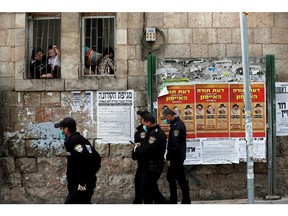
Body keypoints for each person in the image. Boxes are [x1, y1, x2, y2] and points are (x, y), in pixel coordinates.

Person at [54, 117, 100, 204]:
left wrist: (82, 182)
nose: (61, 131)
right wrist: (91, 175)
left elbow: (85, 160)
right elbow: (96, 158)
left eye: (61, 129)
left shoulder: (74, 142)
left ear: (66, 129)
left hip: (79, 185)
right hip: (82, 184)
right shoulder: (81, 140)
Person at [133, 114, 167, 204]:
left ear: (148, 123)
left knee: (148, 189)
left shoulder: (154, 134)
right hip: (149, 166)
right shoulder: (152, 132)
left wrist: (137, 148)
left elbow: (147, 150)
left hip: (152, 166)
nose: (143, 124)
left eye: (144, 122)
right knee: (150, 189)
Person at [162, 108, 191, 204]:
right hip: (178, 156)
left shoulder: (177, 126)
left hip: (176, 156)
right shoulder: (176, 124)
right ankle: (178, 199)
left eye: (165, 118)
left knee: (177, 178)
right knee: (174, 177)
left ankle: (181, 199)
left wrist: (169, 156)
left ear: (169, 116)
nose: (165, 120)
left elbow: (174, 144)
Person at [132, 109, 150, 204]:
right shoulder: (140, 129)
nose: (139, 120)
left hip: (146, 160)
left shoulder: (145, 131)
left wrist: (137, 150)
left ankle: (141, 201)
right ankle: (138, 200)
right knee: (138, 181)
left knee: (144, 183)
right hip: (141, 161)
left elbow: (143, 145)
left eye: (141, 118)